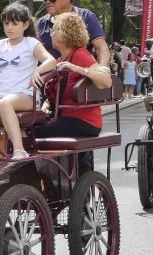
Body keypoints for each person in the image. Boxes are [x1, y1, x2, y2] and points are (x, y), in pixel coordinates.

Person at [0, 3, 55, 159]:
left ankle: (19, 150)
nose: (9, 27)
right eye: (6, 23)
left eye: (14, 23)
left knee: (4, 103)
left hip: (24, 94)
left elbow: (51, 61)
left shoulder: (31, 43)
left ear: (25, 24)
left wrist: (37, 70)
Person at [34, 13, 112, 175]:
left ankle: (40, 181)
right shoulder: (61, 60)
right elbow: (55, 95)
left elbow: (105, 81)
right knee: (30, 127)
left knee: (30, 133)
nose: (51, 33)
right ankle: (51, 182)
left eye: (54, 29)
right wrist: (46, 104)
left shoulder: (80, 55)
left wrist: (78, 69)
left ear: (64, 33)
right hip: (65, 119)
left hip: (82, 122)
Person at [35, 0, 111, 67]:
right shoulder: (41, 24)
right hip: (48, 79)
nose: (47, 1)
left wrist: (102, 70)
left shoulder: (86, 16)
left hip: (78, 77)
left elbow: (101, 48)